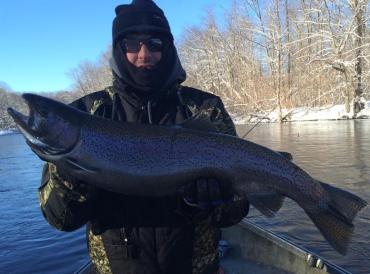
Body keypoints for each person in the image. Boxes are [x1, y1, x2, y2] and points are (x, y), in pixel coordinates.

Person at [38, 1, 249, 273]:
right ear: (118, 49)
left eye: (154, 43)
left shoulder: (205, 109)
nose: (144, 53)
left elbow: (234, 212)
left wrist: (216, 199)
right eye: (131, 44)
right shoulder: (87, 114)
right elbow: (61, 219)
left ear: (168, 47)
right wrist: (72, 174)